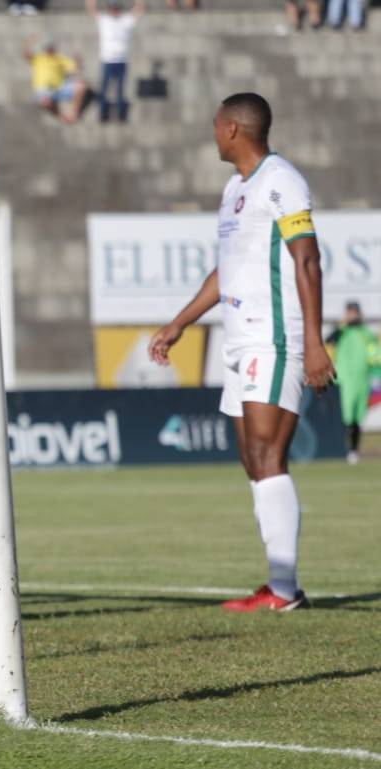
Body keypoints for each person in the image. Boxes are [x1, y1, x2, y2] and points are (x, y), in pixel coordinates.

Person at [148, 93, 334, 613]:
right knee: (252, 458)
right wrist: (180, 322)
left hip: (276, 338)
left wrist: (315, 343)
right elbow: (226, 268)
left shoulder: (282, 180)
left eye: (214, 125)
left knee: (269, 454)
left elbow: (308, 260)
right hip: (239, 338)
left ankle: (284, 589)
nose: (212, 134)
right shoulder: (234, 189)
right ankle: (278, 584)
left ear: (233, 129)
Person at [326, 301, 379, 464]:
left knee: (357, 417)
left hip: (361, 380)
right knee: (344, 416)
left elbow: (375, 356)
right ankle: (341, 449)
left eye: (355, 312)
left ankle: (353, 450)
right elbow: (328, 344)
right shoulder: (341, 332)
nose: (352, 315)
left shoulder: (366, 334)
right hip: (343, 381)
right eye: (350, 312)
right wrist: (341, 325)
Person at [87, 0, 144, 124]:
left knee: (120, 90)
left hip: (121, 61)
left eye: (116, 8)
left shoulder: (125, 20)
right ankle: (102, 115)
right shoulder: (104, 20)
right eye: (112, 8)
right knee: (104, 89)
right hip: (107, 60)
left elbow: (138, 11)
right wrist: (91, 3)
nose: (114, 10)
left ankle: (121, 116)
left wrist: (139, 2)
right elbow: (92, 12)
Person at [23, 38, 87, 124]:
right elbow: (26, 55)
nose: (50, 49)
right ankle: (62, 116)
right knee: (44, 101)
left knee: (80, 86)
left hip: (59, 88)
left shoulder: (59, 59)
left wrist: (77, 59)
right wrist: (29, 42)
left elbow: (76, 69)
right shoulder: (38, 58)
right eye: (48, 48)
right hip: (43, 90)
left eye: (51, 47)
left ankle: (73, 113)